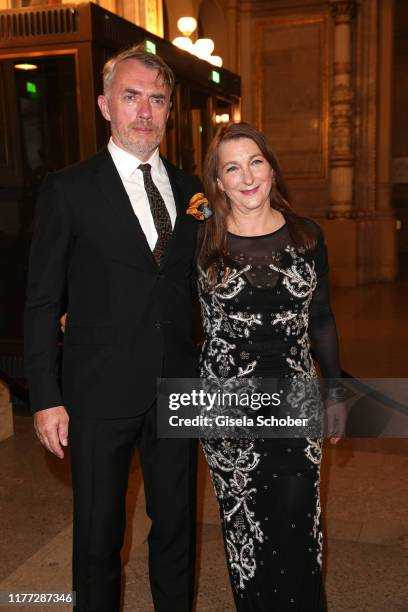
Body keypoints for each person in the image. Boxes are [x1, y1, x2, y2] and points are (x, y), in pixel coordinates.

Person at [24, 45, 201, 612]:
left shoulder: (193, 189)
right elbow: (42, 299)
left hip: (179, 386)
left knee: (176, 529)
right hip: (97, 389)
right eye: (131, 97)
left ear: (170, 110)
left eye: (157, 100)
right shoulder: (69, 188)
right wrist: (45, 397)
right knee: (99, 537)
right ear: (105, 105)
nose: (144, 112)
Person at [197, 122, 346, 611]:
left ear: (271, 168)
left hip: (296, 399)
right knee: (249, 536)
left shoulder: (307, 236)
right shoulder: (201, 244)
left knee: (299, 523)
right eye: (231, 167)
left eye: (255, 161)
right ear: (218, 181)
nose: (247, 176)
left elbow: (321, 319)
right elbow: (153, 302)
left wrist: (336, 393)